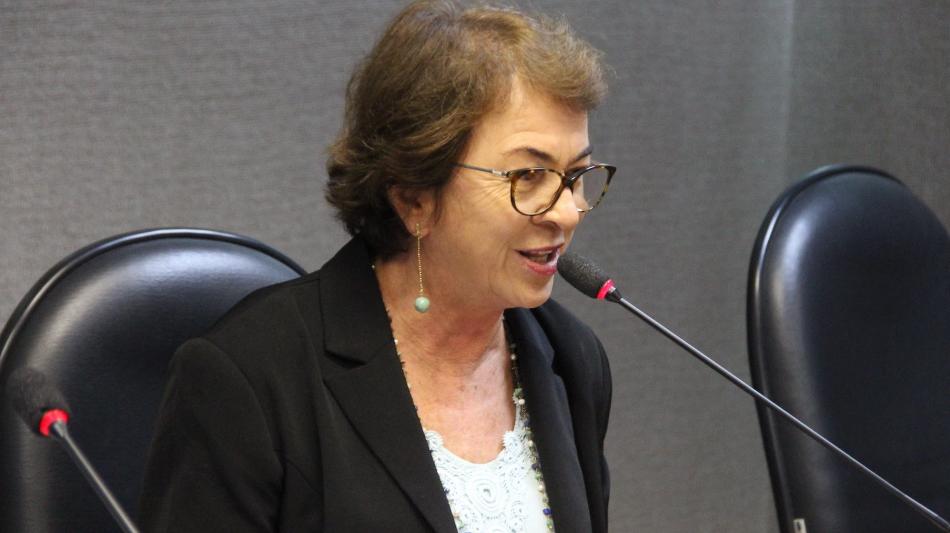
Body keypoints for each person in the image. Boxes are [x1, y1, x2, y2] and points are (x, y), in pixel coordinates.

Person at [138, 1, 614, 531]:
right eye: (528, 176)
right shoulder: (249, 378)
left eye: (576, 175)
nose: (567, 212)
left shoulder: (571, 359)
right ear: (414, 197)